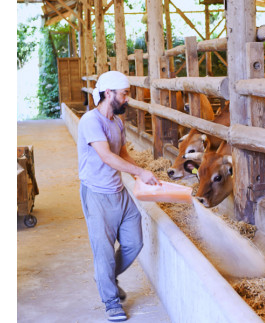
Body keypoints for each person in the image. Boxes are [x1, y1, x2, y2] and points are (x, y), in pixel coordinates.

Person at [77, 71, 160, 322]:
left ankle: (106, 276)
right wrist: (140, 171)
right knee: (103, 251)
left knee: (134, 243)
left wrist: (138, 177)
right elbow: (107, 156)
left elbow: (121, 152)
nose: (127, 99)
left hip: (119, 192)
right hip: (97, 194)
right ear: (109, 93)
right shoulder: (91, 121)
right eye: (124, 94)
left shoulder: (117, 122)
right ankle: (111, 302)